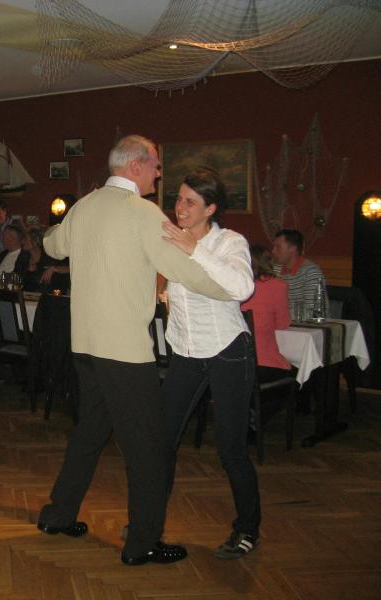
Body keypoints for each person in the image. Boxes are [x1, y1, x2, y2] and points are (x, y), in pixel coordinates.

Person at [37, 135, 230, 566]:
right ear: (137, 165)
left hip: (85, 347)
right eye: (156, 165)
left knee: (89, 434)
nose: (159, 174)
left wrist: (63, 224)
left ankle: (58, 514)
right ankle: (143, 542)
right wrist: (232, 288)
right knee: (148, 449)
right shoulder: (143, 213)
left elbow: (52, 245)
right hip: (124, 353)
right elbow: (183, 269)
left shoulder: (84, 206)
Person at [160, 167, 258, 559]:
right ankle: (150, 519)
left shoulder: (229, 242)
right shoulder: (170, 237)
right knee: (162, 440)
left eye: (190, 202)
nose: (180, 207)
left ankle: (247, 529)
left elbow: (242, 288)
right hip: (185, 350)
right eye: (178, 199)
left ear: (210, 208)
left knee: (231, 449)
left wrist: (194, 249)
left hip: (228, 350)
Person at [242, 244, 293, 381]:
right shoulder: (278, 286)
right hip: (265, 364)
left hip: (235, 365)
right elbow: (282, 324)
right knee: (302, 372)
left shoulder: (235, 286)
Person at [271, 229, 327, 317]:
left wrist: (275, 314)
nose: (273, 251)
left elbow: (313, 312)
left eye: (278, 247)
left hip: (306, 325)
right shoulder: (275, 270)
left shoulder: (311, 272)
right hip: (284, 322)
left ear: (293, 248)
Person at [22, 226, 69, 292]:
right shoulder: (23, 258)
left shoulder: (49, 256)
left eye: (25, 239)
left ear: (34, 240)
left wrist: (55, 268)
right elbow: (16, 279)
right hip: (24, 296)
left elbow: (70, 268)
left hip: (47, 295)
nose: (22, 241)